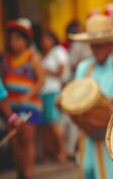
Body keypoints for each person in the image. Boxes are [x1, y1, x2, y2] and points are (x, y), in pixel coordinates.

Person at [68, 14, 113, 179]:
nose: (96, 49)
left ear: (110, 45)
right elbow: (75, 98)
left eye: (100, 45)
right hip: (88, 134)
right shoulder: (83, 68)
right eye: (93, 46)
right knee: (87, 170)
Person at [3, 18, 45, 179]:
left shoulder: (32, 58)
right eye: (12, 39)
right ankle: (20, 172)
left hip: (30, 106)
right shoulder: (7, 60)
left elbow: (41, 80)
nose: (14, 43)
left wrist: (28, 96)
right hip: (11, 107)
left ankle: (28, 174)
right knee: (14, 141)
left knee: (27, 139)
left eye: (18, 39)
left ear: (25, 41)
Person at [39, 30, 68, 161]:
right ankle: (49, 152)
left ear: (52, 39)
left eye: (46, 39)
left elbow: (61, 71)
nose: (44, 42)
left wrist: (46, 71)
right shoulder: (44, 54)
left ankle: (62, 152)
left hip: (53, 91)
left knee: (53, 123)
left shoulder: (58, 51)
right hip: (44, 92)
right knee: (46, 124)